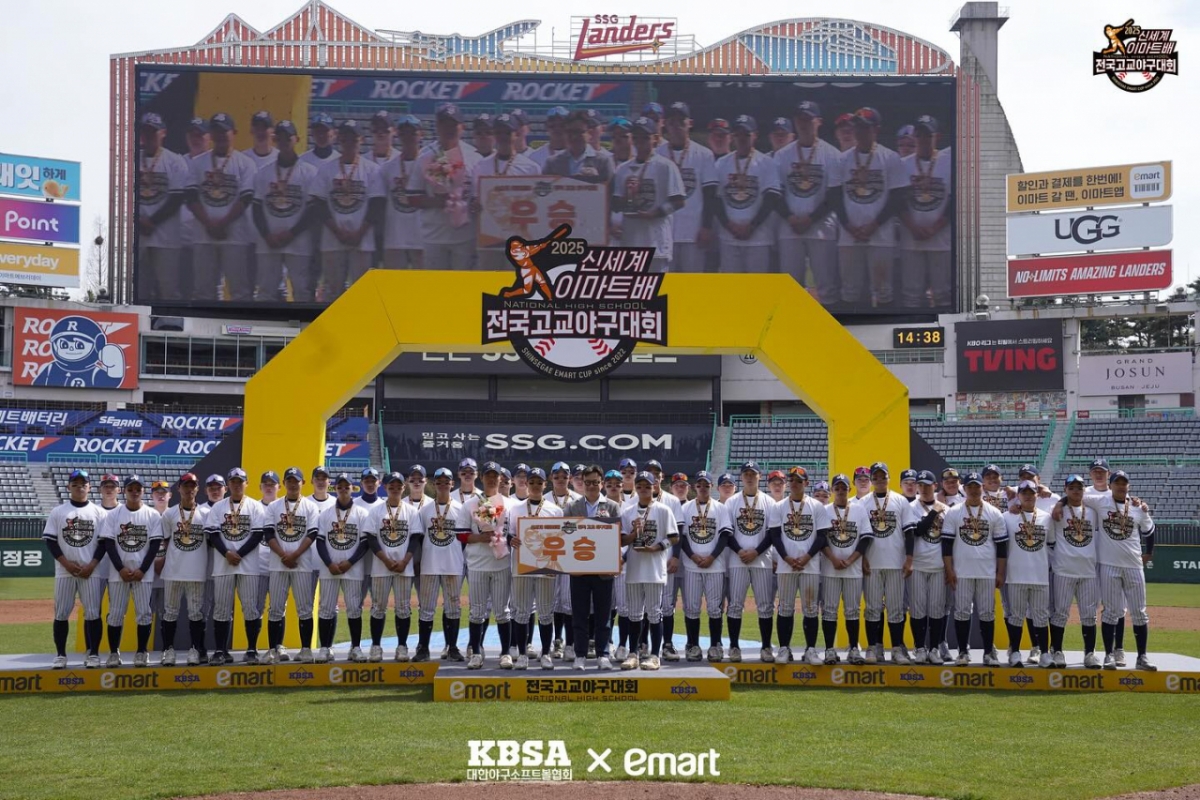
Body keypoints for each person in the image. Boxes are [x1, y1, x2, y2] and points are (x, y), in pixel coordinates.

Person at [835, 107, 903, 308]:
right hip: (849, 235)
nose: (860, 132)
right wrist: (848, 225)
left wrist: (875, 224)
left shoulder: (890, 157)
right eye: (857, 127)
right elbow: (835, 196)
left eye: (865, 127)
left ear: (876, 129)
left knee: (883, 289)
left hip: (881, 234)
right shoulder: (842, 159)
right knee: (850, 289)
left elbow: (897, 198)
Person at [1089, 470, 1156, 671]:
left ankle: (1142, 657)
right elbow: (1074, 496)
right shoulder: (1100, 501)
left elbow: (1149, 530)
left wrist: (1149, 553)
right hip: (1109, 565)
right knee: (1111, 612)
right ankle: (1109, 655)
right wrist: (1058, 503)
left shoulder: (1137, 507)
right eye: (1116, 483)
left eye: (1123, 483)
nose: (1120, 486)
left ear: (1129, 486)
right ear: (1110, 486)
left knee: (1139, 612)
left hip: (1134, 565)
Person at [186, 113, 257, 303]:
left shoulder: (245, 163)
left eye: (224, 131)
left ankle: (239, 322)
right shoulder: (197, 162)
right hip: (203, 235)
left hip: (235, 236)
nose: (220, 135)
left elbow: (246, 198)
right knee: (203, 291)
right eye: (216, 131)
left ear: (234, 133)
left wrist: (223, 223)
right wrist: (209, 224)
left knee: (239, 291)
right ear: (210, 134)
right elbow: (191, 197)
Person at [311, 120, 385, 302]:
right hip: (332, 239)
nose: (349, 142)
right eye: (345, 138)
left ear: (361, 140)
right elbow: (318, 203)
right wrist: (336, 231)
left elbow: (377, 204)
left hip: (362, 240)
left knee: (361, 293)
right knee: (332, 292)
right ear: (339, 139)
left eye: (354, 138)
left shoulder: (372, 170)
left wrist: (360, 232)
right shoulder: (327, 169)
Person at [941, 472, 1007, 667]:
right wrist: (949, 570)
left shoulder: (994, 512)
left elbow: (1001, 546)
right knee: (962, 612)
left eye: (976, 486)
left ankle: (988, 652)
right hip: (962, 571)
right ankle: (963, 652)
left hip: (987, 571)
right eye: (969, 486)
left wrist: (1000, 572)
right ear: (964, 488)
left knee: (987, 613)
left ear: (982, 488)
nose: (973, 490)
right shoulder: (954, 512)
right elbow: (946, 544)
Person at [44, 470, 108, 669]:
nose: (80, 487)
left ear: (89, 487)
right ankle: (61, 655)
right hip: (65, 571)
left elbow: (104, 543)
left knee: (93, 613)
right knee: (61, 613)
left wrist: (92, 565)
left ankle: (93, 654)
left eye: (83, 483)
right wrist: (67, 564)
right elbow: (51, 541)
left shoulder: (99, 512)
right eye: (75, 483)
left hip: (91, 571)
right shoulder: (58, 512)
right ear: (68, 487)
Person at [409, 103, 483, 269]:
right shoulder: (425, 156)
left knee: (461, 284)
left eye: (453, 124)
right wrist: (440, 202)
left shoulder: (474, 156)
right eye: (444, 124)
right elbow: (412, 198)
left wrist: (471, 204)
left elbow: (480, 197)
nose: (448, 129)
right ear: (437, 126)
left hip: (465, 236)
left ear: (462, 127)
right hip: (433, 236)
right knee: (435, 285)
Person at [252, 120, 319, 303]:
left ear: (297, 139)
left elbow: (312, 210)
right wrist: (267, 235)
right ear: (274, 140)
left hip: (299, 241)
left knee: (302, 291)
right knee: (265, 292)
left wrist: (292, 233)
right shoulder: (264, 173)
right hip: (269, 242)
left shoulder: (309, 172)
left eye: (287, 138)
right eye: (279, 138)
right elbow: (256, 207)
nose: (283, 142)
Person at [618, 472, 680, 671]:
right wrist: (634, 533)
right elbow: (622, 541)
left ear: (654, 487)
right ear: (635, 487)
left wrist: (656, 548)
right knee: (634, 614)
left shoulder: (663, 510)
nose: (643, 489)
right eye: (640, 486)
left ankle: (654, 655)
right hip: (634, 568)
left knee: (654, 613)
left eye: (647, 486)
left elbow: (674, 537)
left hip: (655, 568)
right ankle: (633, 653)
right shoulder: (628, 512)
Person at [99, 476, 163, 668]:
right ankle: (113, 653)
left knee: (144, 614)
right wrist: (120, 568)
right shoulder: (114, 515)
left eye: (138, 489)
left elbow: (154, 545)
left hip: (143, 574)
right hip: (118, 574)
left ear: (143, 491)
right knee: (115, 614)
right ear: (125, 491)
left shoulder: (152, 515)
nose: (134, 492)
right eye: (131, 489)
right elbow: (109, 543)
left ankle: (141, 652)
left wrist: (143, 569)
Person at [768, 467, 830, 665]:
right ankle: (784, 648)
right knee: (785, 607)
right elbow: (775, 535)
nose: (794, 484)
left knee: (811, 608)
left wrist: (807, 557)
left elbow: (822, 536)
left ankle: (810, 649)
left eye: (799, 481)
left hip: (809, 565)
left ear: (806, 483)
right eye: (792, 480)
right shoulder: (779, 507)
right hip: (786, 565)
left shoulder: (816, 506)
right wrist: (786, 558)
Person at [563, 465, 622, 670]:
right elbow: (564, 534)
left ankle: (602, 654)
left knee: (603, 616)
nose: (591, 486)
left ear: (601, 483)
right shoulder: (572, 506)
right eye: (587, 482)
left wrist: (615, 561)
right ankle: (580, 654)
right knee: (579, 615)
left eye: (595, 482)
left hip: (603, 570)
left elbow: (618, 537)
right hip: (579, 569)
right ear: (582, 483)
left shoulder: (612, 507)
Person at [456, 462, 514, 669]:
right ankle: (476, 653)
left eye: (494, 475)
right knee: (477, 611)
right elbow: (460, 534)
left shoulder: (510, 504)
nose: (491, 479)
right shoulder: (471, 504)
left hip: (502, 563)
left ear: (500, 478)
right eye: (488, 475)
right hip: (477, 564)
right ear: (481, 477)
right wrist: (481, 537)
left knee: (503, 611)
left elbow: (515, 533)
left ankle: (505, 653)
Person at [205, 468, 266, 666]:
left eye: (240, 481)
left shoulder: (255, 506)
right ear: (228, 485)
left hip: (248, 565)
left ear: (246, 483)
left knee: (250, 608)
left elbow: (257, 534)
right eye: (233, 481)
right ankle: (220, 651)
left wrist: (239, 554)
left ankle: (252, 649)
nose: (237, 485)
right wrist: (227, 553)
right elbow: (213, 534)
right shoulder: (218, 507)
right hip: (224, 565)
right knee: (221, 609)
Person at [860, 462, 919, 665]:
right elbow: (861, 535)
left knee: (896, 609)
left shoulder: (900, 501)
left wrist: (909, 559)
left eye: (882, 476)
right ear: (871, 480)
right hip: (872, 563)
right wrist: (862, 558)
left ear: (888, 478)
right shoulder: (863, 503)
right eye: (875, 477)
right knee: (872, 608)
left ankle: (896, 649)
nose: (879, 480)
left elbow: (909, 532)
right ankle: (872, 647)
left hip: (896, 563)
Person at [261, 467, 319, 664]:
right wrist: (283, 555)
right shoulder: (274, 506)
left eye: (296, 481)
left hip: (302, 564)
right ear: (284, 483)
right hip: (278, 564)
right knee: (276, 609)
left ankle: (306, 650)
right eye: (289, 480)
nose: (293, 484)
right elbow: (268, 533)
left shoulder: (310, 506)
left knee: (305, 608)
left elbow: (312, 533)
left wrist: (294, 555)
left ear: (303, 483)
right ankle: (273, 650)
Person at [710, 115, 783, 273]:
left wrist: (752, 226)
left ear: (755, 135)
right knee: (733, 286)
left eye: (746, 134)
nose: (742, 139)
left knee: (755, 286)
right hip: (729, 237)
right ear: (733, 136)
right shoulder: (721, 163)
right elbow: (715, 199)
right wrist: (728, 225)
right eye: (738, 134)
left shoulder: (766, 162)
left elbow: (771, 198)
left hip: (759, 238)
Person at [365, 471, 424, 663]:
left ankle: (402, 646)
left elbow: (415, 538)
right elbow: (371, 539)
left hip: (403, 567)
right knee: (378, 607)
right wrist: (386, 560)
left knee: (403, 608)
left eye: (399, 485)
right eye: (391, 485)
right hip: (381, 567)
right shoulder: (376, 511)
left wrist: (405, 561)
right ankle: (376, 646)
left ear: (403, 487)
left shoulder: (411, 511)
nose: (395, 488)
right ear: (385, 487)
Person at [612, 117, 684, 272]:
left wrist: (655, 213)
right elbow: (616, 204)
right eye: (636, 137)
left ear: (655, 138)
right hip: (631, 241)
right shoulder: (623, 169)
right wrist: (627, 196)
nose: (640, 141)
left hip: (656, 242)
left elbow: (678, 201)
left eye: (645, 137)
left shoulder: (666, 166)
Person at [506, 467, 561, 670]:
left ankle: (545, 653)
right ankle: (522, 655)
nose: (536, 486)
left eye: (539, 482)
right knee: (521, 612)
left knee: (546, 612)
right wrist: (511, 540)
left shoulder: (555, 510)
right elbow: (509, 534)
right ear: (526, 484)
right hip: (522, 564)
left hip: (546, 565)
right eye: (532, 482)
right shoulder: (516, 509)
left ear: (545, 484)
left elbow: (561, 537)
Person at [314, 474, 373, 663]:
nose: (343, 489)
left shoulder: (361, 513)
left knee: (354, 609)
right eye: (340, 486)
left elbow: (365, 542)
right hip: (329, 569)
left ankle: (355, 648)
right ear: (335, 488)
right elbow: (320, 541)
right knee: (326, 609)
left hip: (353, 569)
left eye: (347, 486)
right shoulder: (326, 514)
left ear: (352, 488)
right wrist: (329, 563)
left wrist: (350, 562)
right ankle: (325, 648)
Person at [1046, 475, 1104, 668]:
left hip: (1088, 571)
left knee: (1089, 615)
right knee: (1060, 613)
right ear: (1065, 490)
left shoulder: (1093, 511)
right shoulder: (1058, 511)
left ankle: (1090, 653)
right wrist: (1059, 504)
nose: (1076, 491)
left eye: (1079, 487)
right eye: (1071, 488)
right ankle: (1057, 651)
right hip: (1063, 570)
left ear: (1084, 490)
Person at [470, 113, 540, 271]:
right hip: (489, 237)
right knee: (488, 282)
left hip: (519, 238)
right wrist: (475, 205)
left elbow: (538, 203)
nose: (503, 137)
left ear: (516, 134)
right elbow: (475, 199)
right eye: (499, 132)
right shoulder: (481, 165)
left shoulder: (530, 167)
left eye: (507, 132)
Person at [723, 460, 777, 662]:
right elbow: (727, 532)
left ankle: (766, 647)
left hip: (762, 560)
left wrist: (756, 552)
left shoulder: (769, 502)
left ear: (759, 477)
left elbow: (772, 533)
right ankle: (734, 647)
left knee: (765, 605)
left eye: (753, 474)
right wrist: (740, 551)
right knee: (735, 605)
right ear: (741, 477)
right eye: (746, 473)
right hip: (737, 560)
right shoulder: (732, 502)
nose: (749, 477)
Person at [898, 115, 953, 309]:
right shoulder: (903, 164)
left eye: (928, 135)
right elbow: (898, 201)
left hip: (941, 239)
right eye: (919, 135)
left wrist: (935, 228)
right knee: (911, 294)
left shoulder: (948, 160)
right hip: (911, 238)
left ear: (937, 136)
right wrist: (912, 227)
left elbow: (954, 200)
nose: (923, 139)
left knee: (943, 294)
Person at [656, 101, 716, 272]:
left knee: (691, 283)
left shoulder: (704, 154)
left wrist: (706, 227)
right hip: (664, 232)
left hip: (693, 232)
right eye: (672, 122)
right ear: (665, 124)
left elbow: (710, 194)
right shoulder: (657, 154)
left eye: (681, 121)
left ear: (690, 123)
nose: (676, 126)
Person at [159, 473, 211, 667]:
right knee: (170, 613)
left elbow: (211, 541)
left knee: (196, 613)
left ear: (197, 488)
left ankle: (195, 650)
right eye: (186, 486)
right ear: (178, 488)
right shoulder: (170, 514)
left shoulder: (206, 513)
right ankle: (168, 650)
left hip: (196, 572)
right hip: (173, 571)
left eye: (192, 486)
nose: (189, 489)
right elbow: (166, 541)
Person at [136, 112, 188, 302]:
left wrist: (151, 222)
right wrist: (138, 221)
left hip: (166, 237)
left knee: (169, 290)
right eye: (146, 131)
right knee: (138, 291)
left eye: (154, 131)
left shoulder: (175, 161)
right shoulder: (131, 159)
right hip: (138, 238)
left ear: (163, 133)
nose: (149, 136)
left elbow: (177, 198)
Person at [821, 474, 873, 664]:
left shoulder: (859, 510)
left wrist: (851, 560)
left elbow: (866, 538)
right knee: (829, 610)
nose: (841, 491)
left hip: (853, 569)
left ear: (849, 489)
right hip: (830, 568)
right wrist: (833, 559)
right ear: (832, 490)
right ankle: (829, 649)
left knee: (852, 611)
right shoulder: (825, 511)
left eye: (844, 488)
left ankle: (853, 648)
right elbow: (821, 539)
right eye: (837, 488)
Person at [679, 471, 730, 662]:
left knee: (715, 608)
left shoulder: (720, 508)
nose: (702, 488)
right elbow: (682, 536)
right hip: (692, 565)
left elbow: (725, 536)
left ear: (711, 487)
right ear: (694, 487)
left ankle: (715, 645)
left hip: (715, 565)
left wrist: (711, 557)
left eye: (706, 485)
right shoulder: (685, 508)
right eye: (699, 484)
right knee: (692, 607)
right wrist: (693, 556)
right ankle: (693, 645)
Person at [415, 468, 466, 662]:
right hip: (430, 564)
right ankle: (423, 648)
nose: (443, 485)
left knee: (453, 607)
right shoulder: (425, 510)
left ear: (452, 484)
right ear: (434, 484)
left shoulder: (461, 509)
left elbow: (464, 538)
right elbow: (419, 538)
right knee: (426, 608)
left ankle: (452, 647)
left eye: (446, 482)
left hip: (453, 564)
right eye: (439, 482)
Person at [1003, 480, 1053, 668]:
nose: (1028, 496)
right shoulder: (1007, 517)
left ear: (1036, 495)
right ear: (1018, 496)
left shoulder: (1047, 518)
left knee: (1041, 617)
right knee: (1016, 616)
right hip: (1015, 575)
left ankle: (1045, 653)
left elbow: (1051, 543)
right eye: (1024, 493)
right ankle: (1015, 652)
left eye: (1031, 492)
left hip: (1040, 576)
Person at [909, 470, 949, 664]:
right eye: (920, 485)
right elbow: (917, 531)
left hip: (938, 566)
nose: (924, 489)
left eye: (927, 485)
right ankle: (919, 648)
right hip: (917, 565)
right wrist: (934, 512)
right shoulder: (911, 507)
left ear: (935, 486)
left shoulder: (947, 510)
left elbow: (949, 539)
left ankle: (934, 649)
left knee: (936, 610)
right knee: (917, 610)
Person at [380, 115, 425, 270]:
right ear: (398, 135)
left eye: (412, 133)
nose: (408, 137)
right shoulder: (387, 167)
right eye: (404, 133)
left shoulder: (430, 165)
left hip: (422, 238)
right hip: (395, 238)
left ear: (421, 134)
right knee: (395, 283)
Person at [548, 461, 581, 659]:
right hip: (550, 555)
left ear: (570, 478)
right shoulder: (543, 500)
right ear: (551, 478)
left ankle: (570, 643)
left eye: (564, 476)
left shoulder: (578, 500)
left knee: (569, 602)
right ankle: (557, 641)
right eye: (557, 476)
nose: (560, 479)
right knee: (553, 601)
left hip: (571, 556)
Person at [544, 110, 614, 185]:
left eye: (578, 132)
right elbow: (545, 189)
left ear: (589, 133)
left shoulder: (602, 161)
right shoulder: (552, 163)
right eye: (570, 132)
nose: (574, 136)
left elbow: (609, 188)